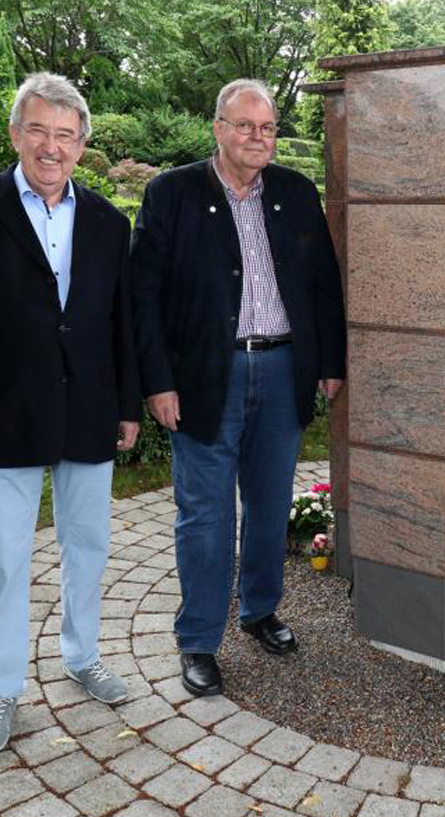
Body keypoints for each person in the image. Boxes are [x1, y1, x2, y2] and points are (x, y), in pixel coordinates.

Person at [0, 73, 141, 754]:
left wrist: (128, 405)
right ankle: (0, 688)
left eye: (66, 135)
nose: (51, 146)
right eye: (38, 130)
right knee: (4, 558)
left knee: (89, 546)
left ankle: (82, 655)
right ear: (16, 134)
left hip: (86, 408)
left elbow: (120, 322)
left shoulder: (107, 220)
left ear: (81, 145)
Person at [131, 78, 346, 697]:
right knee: (204, 513)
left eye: (268, 127)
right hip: (205, 376)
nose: (258, 137)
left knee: (272, 502)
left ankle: (259, 610)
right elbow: (142, 298)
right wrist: (157, 383)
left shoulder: (296, 194)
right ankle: (198, 639)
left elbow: (323, 285)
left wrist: (330, 362)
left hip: (283, 370)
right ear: (218, 128)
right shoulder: (171, 194)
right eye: (245, 125)